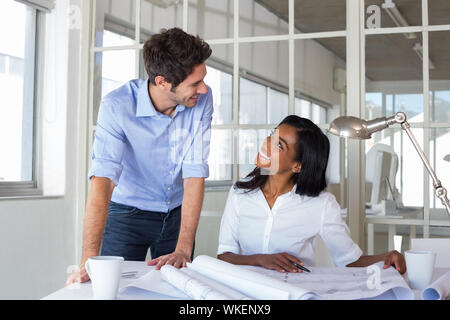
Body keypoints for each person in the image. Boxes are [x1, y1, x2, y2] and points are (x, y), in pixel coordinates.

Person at [66, 27, 213, 285]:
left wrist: (183, 249)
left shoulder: (202, 99)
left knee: (178, 288)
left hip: (176, 215)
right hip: (126, 217)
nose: (203, 89)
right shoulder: (117, 106)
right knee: (111, 287)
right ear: (162, 81)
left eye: (203, 80)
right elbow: (103, 180)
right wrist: (89, 259)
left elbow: (194, 171)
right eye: (194, 83)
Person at [217, 115, 406, 274]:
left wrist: (385, 257)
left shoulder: (321, 204)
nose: (267, 144)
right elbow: (224, 256)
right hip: (246, 293)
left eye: (279, 145)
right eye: (271, 135)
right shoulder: (239, 193)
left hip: (295, 292)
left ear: (297, 165)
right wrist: (260, 259)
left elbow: (348, 260)